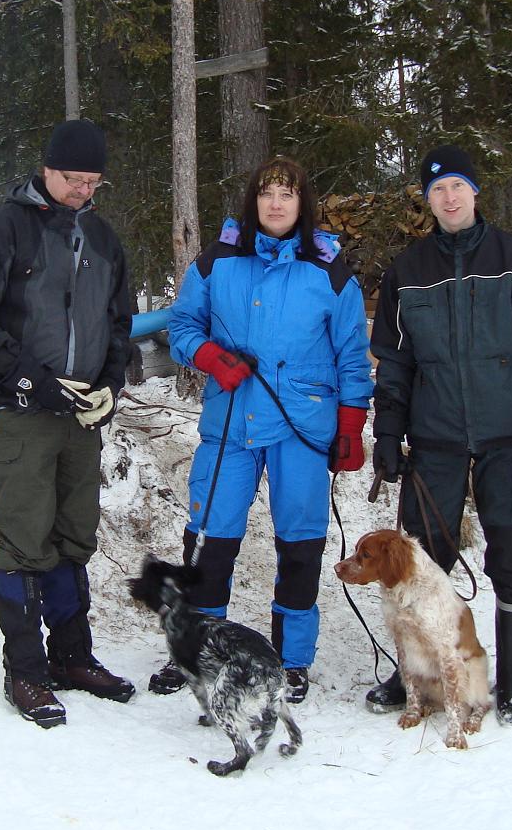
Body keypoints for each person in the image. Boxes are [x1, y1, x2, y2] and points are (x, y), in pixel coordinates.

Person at [365, 146, 512, 728]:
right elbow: (395, 363)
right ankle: (414, 674)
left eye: (458, 186)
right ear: (427, 200)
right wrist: (388, 433)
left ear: (475, 192)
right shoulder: (408, 270)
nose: (449, 197)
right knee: (422, 562)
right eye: (437, 189)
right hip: (435, 438)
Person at [157, 156, 372, 704]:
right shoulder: (217, 261)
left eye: (287, 194)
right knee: (210, 538)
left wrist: (352, 422)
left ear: (303, 204)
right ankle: (198, 651)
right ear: (253, 201)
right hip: (231, 421)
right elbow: (182, 325)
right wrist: (210, 356)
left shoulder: (331, 273)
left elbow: (352, 356)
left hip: (302, 427)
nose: (276, 204)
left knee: (300, 544)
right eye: (267, 193)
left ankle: (292, 659)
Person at [0, 118, 135, 727]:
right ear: (48, 169)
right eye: (73, 179)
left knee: (74, 535)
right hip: (20, 413)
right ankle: (26, 671)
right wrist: (33, 379)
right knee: (27, 539)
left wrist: (110, 383)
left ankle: (72, 656)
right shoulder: (3, 228)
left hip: (81, 418)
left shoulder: (103, 238)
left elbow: (119, 322)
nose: (83, 191)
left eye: (93, 182)